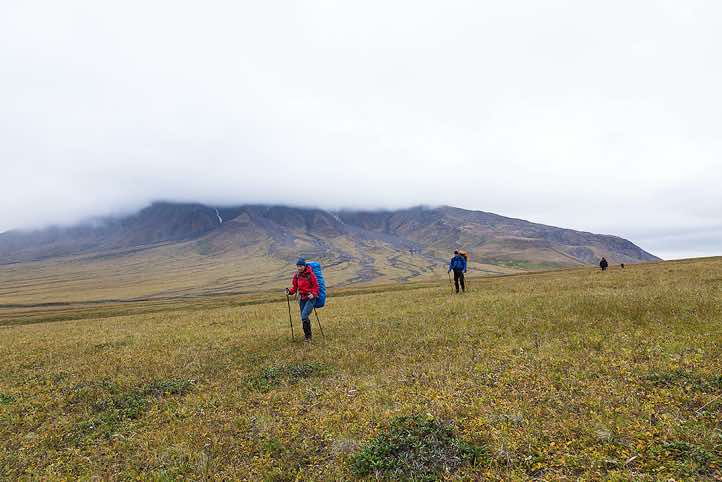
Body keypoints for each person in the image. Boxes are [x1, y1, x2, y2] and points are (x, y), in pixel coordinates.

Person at [286, 258, 320, 341]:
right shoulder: (297, 275)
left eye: (300, 266)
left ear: (304, 266)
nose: (299, 268)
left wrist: (313, 294)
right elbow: (295, 287)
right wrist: (290, 292)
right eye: (298, 266)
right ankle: (307, 336)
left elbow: (316, 286)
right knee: (303, 317)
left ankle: (308, 337)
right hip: (302, 299)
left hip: (310, 298)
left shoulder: (310, 275)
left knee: (304, 316)